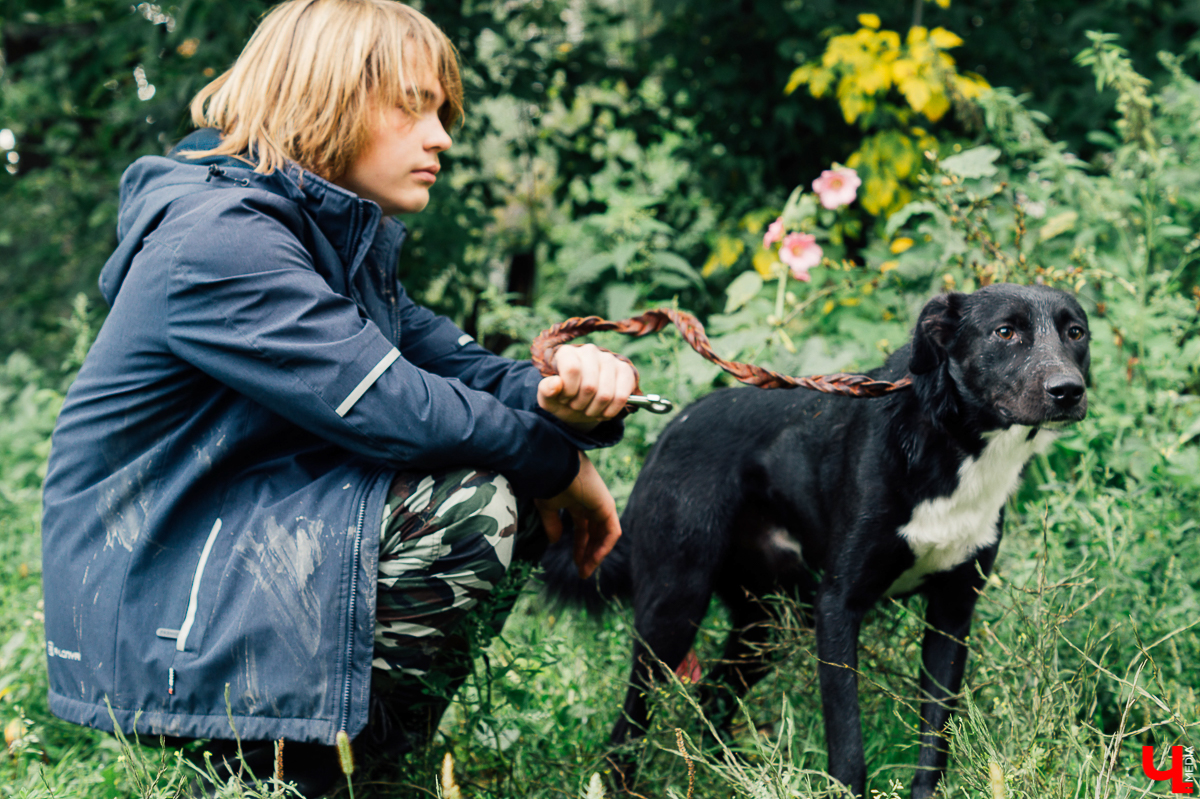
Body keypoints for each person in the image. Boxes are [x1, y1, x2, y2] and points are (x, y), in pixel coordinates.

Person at [39, 0, 634, 792]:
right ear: (324, 98)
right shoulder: (220, 240)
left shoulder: (319, 240)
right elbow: (399, 410)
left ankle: (348, 769)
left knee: (500, 477)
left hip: (229, 552)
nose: (441, 138)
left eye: (442, 111)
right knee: (473, 503)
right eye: (412, 106)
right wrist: (561, 466)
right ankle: (283, 777)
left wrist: (565, 392)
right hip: (157, 589)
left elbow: (459, 369)